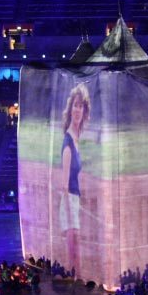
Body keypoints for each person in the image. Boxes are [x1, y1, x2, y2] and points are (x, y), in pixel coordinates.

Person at [59, 83, 90, 278]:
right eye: (75, 105)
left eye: (81, 106)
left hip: (74, 199)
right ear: (70, 109)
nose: (78, 110)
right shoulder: (68, 142)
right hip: (69, 201)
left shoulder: (77, 138)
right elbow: (64, 183)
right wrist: (71, 213)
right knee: (74, 256)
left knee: (76, 255)